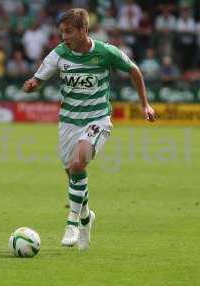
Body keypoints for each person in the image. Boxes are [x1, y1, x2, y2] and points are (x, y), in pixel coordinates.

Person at [23, 8, 155, 250]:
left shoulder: (105, 52)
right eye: (62, 32)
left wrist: (144, 104)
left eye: (69, 32)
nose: (64, 37)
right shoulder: (59, 54)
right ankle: (86, 216)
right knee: (72, 174)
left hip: (98, 119)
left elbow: (134, 70)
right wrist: (32, 84)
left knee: (77, 165)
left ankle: (72, 223)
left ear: (84, 30)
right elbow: (38, 79)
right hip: (68, 122)